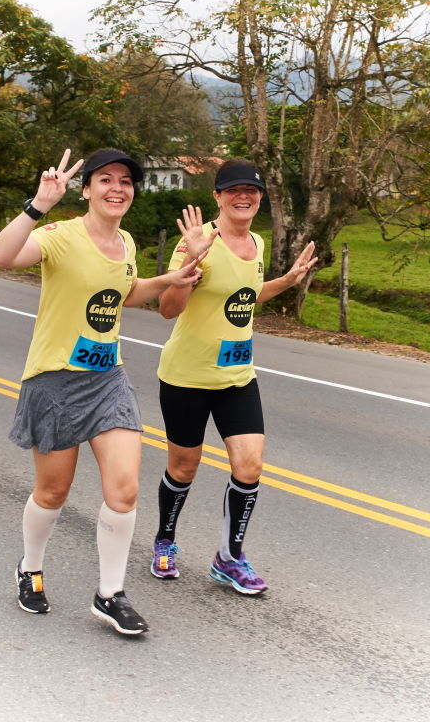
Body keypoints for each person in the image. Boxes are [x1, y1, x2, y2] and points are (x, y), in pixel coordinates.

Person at [0, 147, 214, 636]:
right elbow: (0, 256)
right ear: (86, 190)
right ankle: (30, 567)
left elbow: (124, 294)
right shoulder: (60, 236)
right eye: (105, 179)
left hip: (107, 379)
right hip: (54, 379)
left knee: (124, 488)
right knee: (53, 491)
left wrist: (170, 279)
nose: (117, 188)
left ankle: (110, 593)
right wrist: (39, 205)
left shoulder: (126, 242)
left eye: (126, 181)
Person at [150, 158, 317, 594]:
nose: (244, 196)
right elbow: (168, 309)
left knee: (250, 465)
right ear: (218, 197)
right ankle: (165, 540)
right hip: (187, 376)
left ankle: (228, 558)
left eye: (252, 190)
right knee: (183, 467)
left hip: (238, 376)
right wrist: (190, 263)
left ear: (260, 197)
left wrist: (287, 280)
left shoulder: (257, 242)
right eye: (234, 190)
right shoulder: (198, 241)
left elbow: (246, 296)